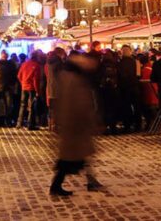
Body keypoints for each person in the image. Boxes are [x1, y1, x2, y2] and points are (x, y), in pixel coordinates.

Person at [50, 53, 104, 196]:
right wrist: (90, 120)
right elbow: (79, 104)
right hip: (76, 126)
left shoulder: (66, 77)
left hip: (72, 125)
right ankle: (57, 185)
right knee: (72, 158)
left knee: (77, 157)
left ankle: (89, 180)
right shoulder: (75, 80)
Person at [117, 45, 140, 132]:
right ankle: (138, 124)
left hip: (124, 88)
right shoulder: (136, 62)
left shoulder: (119, 63)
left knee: (126, 107)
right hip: (134, 87)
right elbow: (138, 75)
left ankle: (127, 125)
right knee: (136, 106)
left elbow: (118, 76)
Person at [17, 51, 41, 130]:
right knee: (31, 106)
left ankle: (19, 123)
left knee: (22, 105)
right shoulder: (36, 65)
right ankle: (30, 124)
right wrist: (37, 91)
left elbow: (19, 75)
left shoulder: (24, 64)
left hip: (24, 87)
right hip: (32, 88)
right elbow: (35, 80)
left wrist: (23, 83)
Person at [45, 47, 65, 131]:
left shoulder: (49, 62)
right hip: (58, 87)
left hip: (50, 87)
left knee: (52, 107)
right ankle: (56, 125)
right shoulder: (58, 62)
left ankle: (51, 124)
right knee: (57, 107)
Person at [138, 52, 160, 131]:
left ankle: (151, 125)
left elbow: (143, 82)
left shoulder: (145, 70)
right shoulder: (150, 68)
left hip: (148, 94)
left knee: (149, 110)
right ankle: (153, 125)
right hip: (153, 92)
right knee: (152, 109)